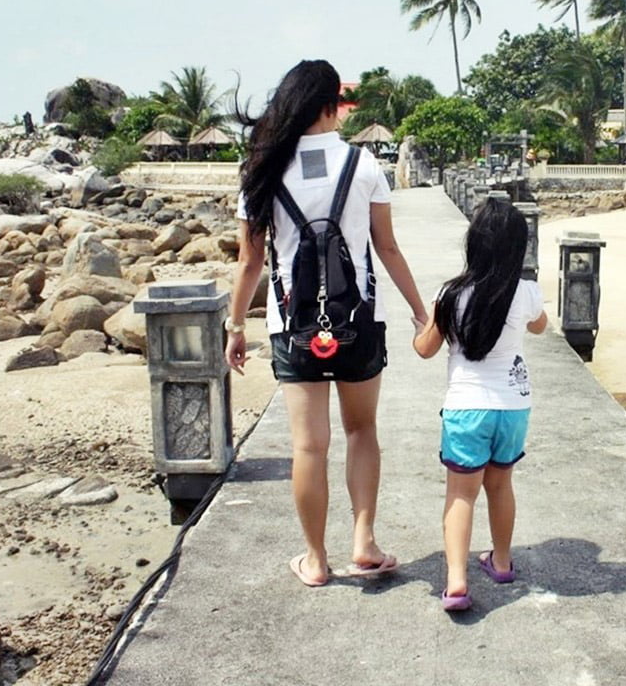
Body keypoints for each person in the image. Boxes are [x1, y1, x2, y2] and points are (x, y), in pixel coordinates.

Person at [225, 60, 428, 587]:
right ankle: (363, 542)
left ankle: (315, 560)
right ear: (327, 106)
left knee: (308, 446)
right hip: (359, 321)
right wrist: (420, 310)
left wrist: (233, 328)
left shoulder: (262, 170)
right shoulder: (363, 165)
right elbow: (386, 247)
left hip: (292, 325)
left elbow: (250, 262)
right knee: (361, 429)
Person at [413, 200, 548, 610]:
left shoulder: (451, 293)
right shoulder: (525, 292)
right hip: (512, 405)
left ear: (473, 243)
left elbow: (425, 349)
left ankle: (456, 582)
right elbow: (541, 326)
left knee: (461, 495)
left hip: (467, 407)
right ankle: (502, 561)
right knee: (501, 484)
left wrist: (423, 324)